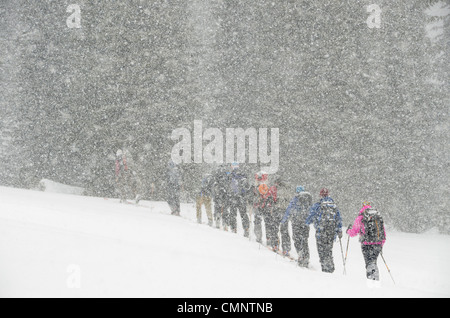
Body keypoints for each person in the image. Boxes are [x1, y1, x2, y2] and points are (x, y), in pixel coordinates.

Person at [347, 201, 386, 281]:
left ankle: (372, 281)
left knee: (369, 263)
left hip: (366, 244)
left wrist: (348, 231)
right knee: (373, 262)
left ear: (363, 206)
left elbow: (354, 231)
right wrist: (380, 244)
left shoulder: (361, 217)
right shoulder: (377, 216)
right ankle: (374, 279)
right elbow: (383, 232)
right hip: (377, 243)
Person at [306, 188, 343, 273]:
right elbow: (338, 219)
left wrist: (306, 223)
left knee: (321, 251)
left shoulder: (318, 205)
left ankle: (325, 268)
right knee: (328, 250)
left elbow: (310, 216)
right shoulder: (333, 205)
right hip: (331, 232)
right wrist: (339, 230)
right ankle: (330, 267)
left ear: (321, 195)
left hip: (320, 232)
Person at [281, 186, 313, 267]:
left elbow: (289, 210)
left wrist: (284, 220)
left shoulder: (295, 199)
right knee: (304, 240)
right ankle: (306, 256)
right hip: (305, 223)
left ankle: (300, 255)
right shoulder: (308, 199)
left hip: (296, 222)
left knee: (297, 239)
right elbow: (311, 210)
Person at [265, 176, 291, 253]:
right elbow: (289, 200)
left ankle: (275, 245)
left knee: (274, 228)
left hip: (276, 210)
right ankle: (286, 249)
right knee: (285, 231)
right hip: (285, 212)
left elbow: (269, 198)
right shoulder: (286, 189)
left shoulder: (273, 188)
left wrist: (270, 205)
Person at [228, 163, 250, 236]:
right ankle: (246, 228)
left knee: (233, 214)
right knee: (243, 214)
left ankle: (233, 228)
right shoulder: (243, 175)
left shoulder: (231, 175)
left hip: (233, 197)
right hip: (242, 198)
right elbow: (247, 187)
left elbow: (228, 186)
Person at [252, 171, 274, 245]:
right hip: (266, 206)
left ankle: (259, 237)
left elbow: (252, 196)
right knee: (268, 222)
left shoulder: (255, 187)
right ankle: (269, 238)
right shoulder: (268, 186)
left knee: (258, 221)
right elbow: (271, 196)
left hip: (258, 206)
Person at [212, 165, 230, 229]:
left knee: (218, 208)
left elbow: (214, 186)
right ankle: (225, 224)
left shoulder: (216, 175)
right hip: (224, 194)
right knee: (224, 209)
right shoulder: (226, 174)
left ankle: (218, 221)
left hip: (219, 195)